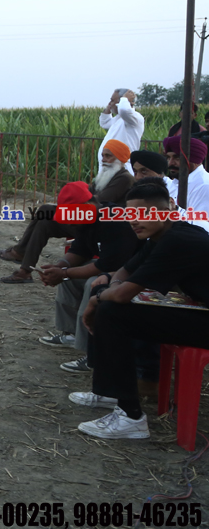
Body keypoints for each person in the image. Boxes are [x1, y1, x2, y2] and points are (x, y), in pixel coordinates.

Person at [69, 181, 209, 439]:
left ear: (168, 209)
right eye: (130, 214)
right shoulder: (161, 236)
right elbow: (124, 272)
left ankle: (130, 416)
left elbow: (122, 294)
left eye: (143, 213)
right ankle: (111, 393)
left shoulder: (179, 239)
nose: (134, 220)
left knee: (113, 312)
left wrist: (98, 299)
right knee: (109, 304)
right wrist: (107, 291)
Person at [34, 182, 142, 371]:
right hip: (111, 269)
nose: (70, 222)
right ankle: (71, 333)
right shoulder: (87, 220)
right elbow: (79, 251)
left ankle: (91, 353)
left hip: (129, 273)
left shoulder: (115, 221)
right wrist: (59, 267)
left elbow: (107, 265)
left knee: (93, 284)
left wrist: (64, 273)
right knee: (68, 280)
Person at [0, 141, 134, 284]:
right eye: (103, 155)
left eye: (108, 156)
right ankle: (25, 269)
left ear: (120, 158)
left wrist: (71, 204)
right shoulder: (105, 175)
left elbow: (98, 201)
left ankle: (20, 254)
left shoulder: (124, 178)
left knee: (46, 211)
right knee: (45, 221)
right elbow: (90, 196)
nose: (103, 159)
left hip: (101, 223)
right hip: (87, 219)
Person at [98, 88, 143, 173]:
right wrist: (109, 108)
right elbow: (104, 123)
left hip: (122, 168)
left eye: (112, 100)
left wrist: (125, 99)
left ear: (121, 102)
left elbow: (124, 110)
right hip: (109, 168)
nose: (110, 103)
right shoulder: (118, 119)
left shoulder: (135, 118)